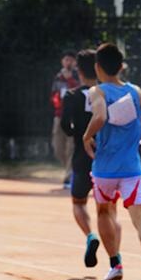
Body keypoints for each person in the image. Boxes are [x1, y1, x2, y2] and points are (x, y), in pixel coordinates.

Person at [83, 43, 141, 280]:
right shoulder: (136, 91)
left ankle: (116, 264)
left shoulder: (97, 91)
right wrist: (134, 120)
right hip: (132, 168)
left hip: (105, 168)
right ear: (121, 66)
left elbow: (99, 116)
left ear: (97, 67)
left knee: (105, 211)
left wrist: (87, 136)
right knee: (140, 218)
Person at [61, 49, 105, 268]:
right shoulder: (107, 93)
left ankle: (90, 235)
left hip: (81, 154)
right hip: (105, 157)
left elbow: (64, 126)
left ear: (78, 70)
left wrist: (77, 134)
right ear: (98, 68)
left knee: (78, 202)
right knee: (107, 209)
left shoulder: (72, 95)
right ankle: (116, 260)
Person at [51, 50, 79, 188]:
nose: (68, 62)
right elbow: (54, 94)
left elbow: (79, 91)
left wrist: (69, 79)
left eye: (71, 60)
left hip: (73, 116)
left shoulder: (77, 76)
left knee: (71, 147)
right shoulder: (57, 77)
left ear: (74, 62)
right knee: (57, 146)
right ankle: (69, 169)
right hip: (59, 115)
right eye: (66, 59)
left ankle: (68, 176)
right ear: (62, 61)